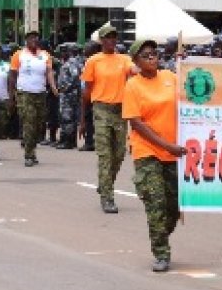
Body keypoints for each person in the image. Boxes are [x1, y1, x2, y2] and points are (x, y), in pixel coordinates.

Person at [122, 39, 187, 272]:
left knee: (174, 207)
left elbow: (191, 100)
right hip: (148, 151)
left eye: (154, 53)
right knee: (156, 202)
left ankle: (160, 233)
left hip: (174, 152)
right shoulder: (133, 85)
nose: (152, 57)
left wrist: (187, 65)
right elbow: (136, 123)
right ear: (136, 62)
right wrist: (166, 146)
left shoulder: (170, 78)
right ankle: (161, 252)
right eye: (145, 55)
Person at [80, 25, 135, 213]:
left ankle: (105, 183)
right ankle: (107, 198)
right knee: (105, 155)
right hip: (101, 110)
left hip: (120, 111)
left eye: (114, 37)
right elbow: (86, 91)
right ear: (101, 41)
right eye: (108, 37)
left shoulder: (124, 59)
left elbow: (136, 70)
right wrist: (82, 120)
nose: (112, 40)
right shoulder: (93, 61)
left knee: (119, 154)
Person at [10, 31, 58, 167]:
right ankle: (29, 155)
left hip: (40, 93)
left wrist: (53, 87)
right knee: (29, 123)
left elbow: (49, 72)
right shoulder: (19, 55)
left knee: (39, 124)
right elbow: (12, 75)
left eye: (36, 38)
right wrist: (11, 94)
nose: (34, 40)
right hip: (25, 93)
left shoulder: (45, 55)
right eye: (31, 38)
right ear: (26, 40)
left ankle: (32, 150)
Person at [56, 43, 82, 149]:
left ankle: (68, 142)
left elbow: (75, 76)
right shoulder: (67, 62)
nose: (62, 53)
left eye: (64, 51)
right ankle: (66, 140)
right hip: (67, 94)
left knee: (68, 117)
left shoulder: (71, 62)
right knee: (66, 117)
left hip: (69, 95)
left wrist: (67, 88)